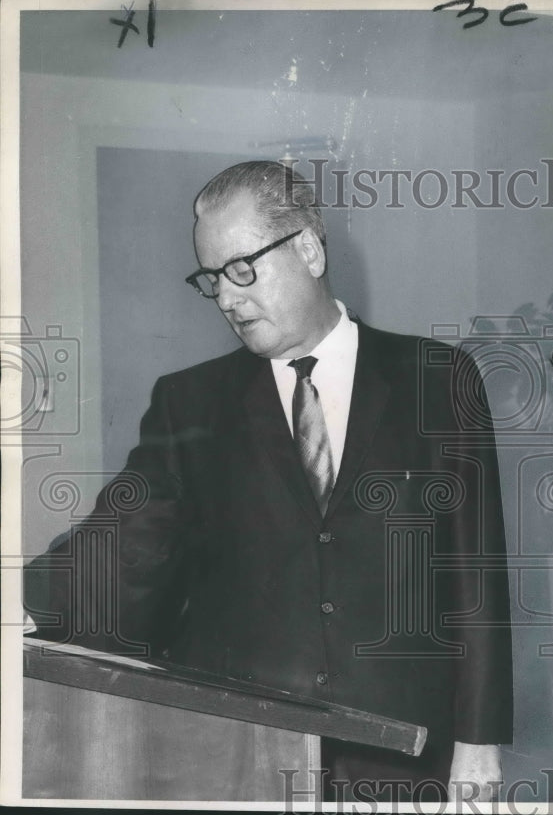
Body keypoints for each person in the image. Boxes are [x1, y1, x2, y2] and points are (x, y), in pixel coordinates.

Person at [23, 160, 513, 803]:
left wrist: (479, 746)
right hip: (241, 758)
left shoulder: (439, 379)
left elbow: (477, 574)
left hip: (406, 754)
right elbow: (119, 556)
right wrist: (20, 600)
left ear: (308, 249)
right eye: (211, 279)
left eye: (241, 269)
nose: (226, 297)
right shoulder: (189, 403)